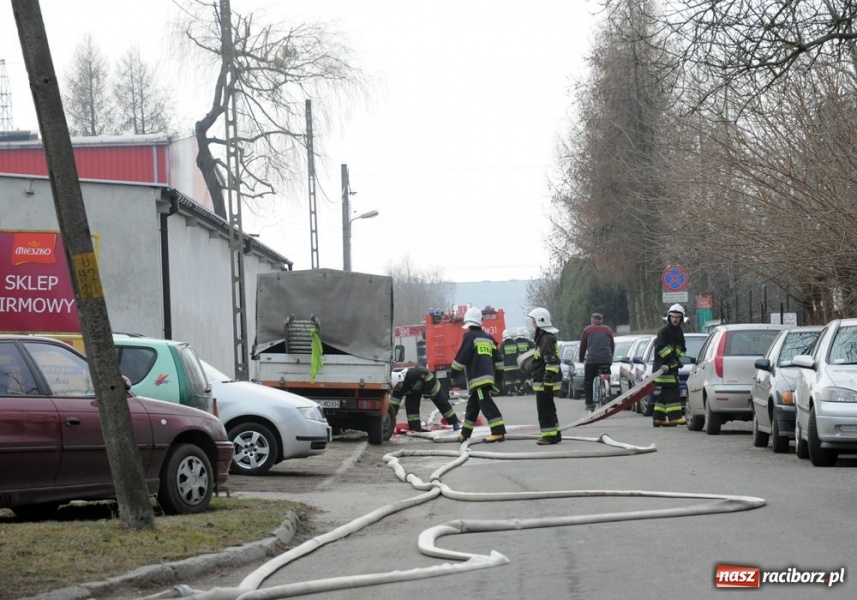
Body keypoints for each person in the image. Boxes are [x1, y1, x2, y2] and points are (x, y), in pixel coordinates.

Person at [450, 307, 507, 443]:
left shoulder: (470, 336)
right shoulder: (488, 337)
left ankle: (498, 431)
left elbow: (462, 356)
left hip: (478, 379)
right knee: (473, 406)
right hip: (487, 378)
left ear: (468, 323)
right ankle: (465, 433)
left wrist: (453, 374)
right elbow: (498, 359)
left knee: (486, 403)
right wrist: (499, 378)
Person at [527, 307, 562, 445]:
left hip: (544, 382)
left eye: (533, 322)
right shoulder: (543, 337)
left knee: (544, 410)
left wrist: (547, 382)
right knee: (549, 408)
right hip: (543, 380)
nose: (532, 324)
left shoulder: (545, 339)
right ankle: (555, 433)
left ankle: (549, 436)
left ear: (539, 322)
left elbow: (552, 361)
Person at [390, 367, 461, 431]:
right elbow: (393, 407)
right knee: (411, 408)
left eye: (398, 385)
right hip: (414, 391)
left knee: (442, 404)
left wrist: (428, 392)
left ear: (400, 379)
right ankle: (415, 428)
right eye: (396, 387)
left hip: (432, 387)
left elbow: (428, 376)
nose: (398, 388)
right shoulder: (397, 389)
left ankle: (454, 422)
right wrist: (389, 421)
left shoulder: (413, 374)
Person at [651, 304, 688, 427]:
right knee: (672, 391)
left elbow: (681, 348)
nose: (675, 319)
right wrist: (671, 360)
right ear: (669, 318)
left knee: (664, 394)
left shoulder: (679, 331)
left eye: (678, 317)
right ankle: (675, 417)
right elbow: (661, 348)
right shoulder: (664, 331)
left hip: (672, 368)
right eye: (673, 317)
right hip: (663, 368)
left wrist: (678, 359)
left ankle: (658, 418)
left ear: (682, 319)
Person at [579, 312, 615, 412]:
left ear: (592, 320)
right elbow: (612, 345)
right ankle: (607, 390)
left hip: (592, 360)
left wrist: (581, 359)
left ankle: (589, 404)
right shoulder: (608, 330)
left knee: (588, 382)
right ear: (601, 321)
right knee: (607, 375)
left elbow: (583, 346)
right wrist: (610, 357)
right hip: (606, 360)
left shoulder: (588, 330)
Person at [499, 329, 521, 395]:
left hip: (507, 367)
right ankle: (519, 390)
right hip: (516, 366)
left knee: (508, 380)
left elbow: (501, 356)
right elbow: (519, 354)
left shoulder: (503, 345)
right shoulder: (515, 344)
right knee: (517, 379)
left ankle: (509, 391)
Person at [514, 326, 536, 394]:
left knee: (519, 378)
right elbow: (534, 352)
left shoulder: (513, 342)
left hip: (516, 363)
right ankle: (526, 388)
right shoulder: (529, 342)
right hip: (527, 363)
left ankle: (520, 389)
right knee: (527, 377)